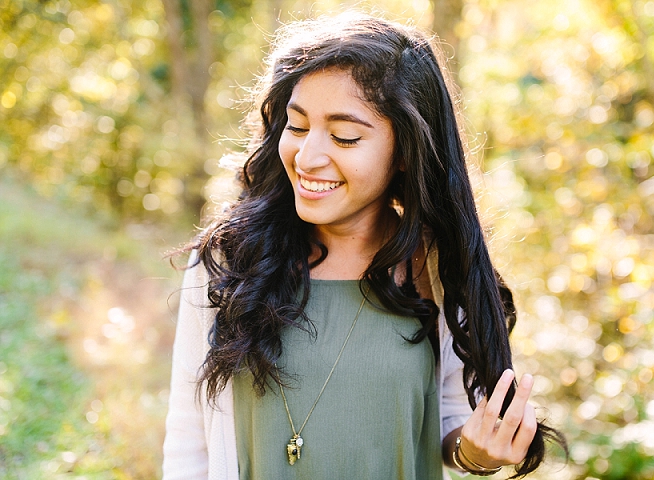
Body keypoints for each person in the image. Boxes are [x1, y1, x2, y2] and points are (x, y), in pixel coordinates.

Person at [162, 12, 566, 480]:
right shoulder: (227, 263)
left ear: (405, 151)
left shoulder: (434, 266)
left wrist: (479, 452)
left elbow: (450, 420)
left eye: (344, 136)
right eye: (296, 127)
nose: (308, 157)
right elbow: (189, 438)